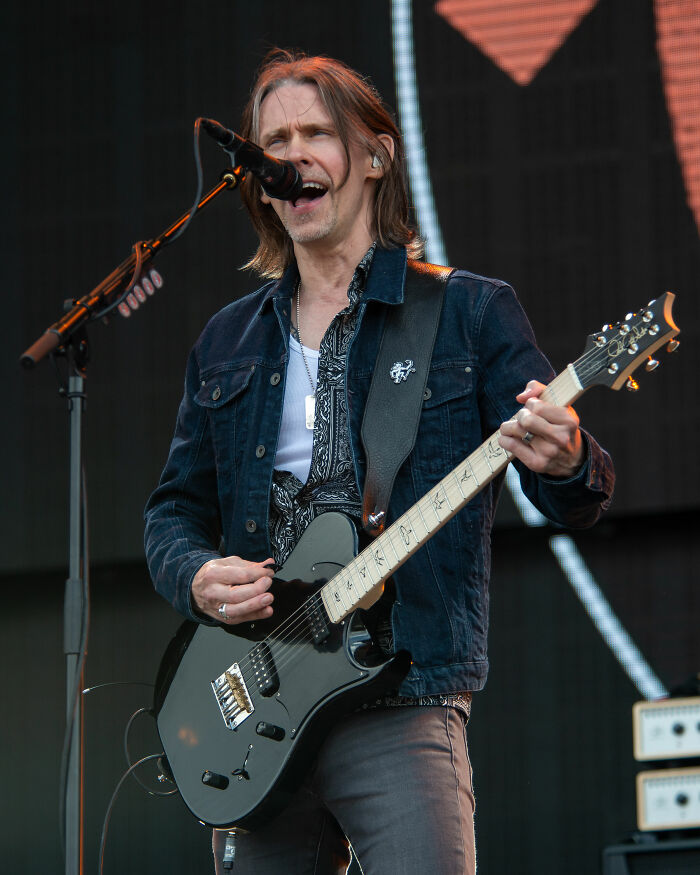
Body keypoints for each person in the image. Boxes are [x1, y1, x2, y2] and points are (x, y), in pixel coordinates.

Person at [144, 49, 614, 875]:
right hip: (260, 703)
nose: (291, 156)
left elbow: (572, 496)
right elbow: (172, 511)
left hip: (404, 693)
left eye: (315, 133)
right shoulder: (227, 340)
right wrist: (195, 575)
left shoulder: (466, 311)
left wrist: (568, 452)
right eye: (273, 140)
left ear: (373, 155)